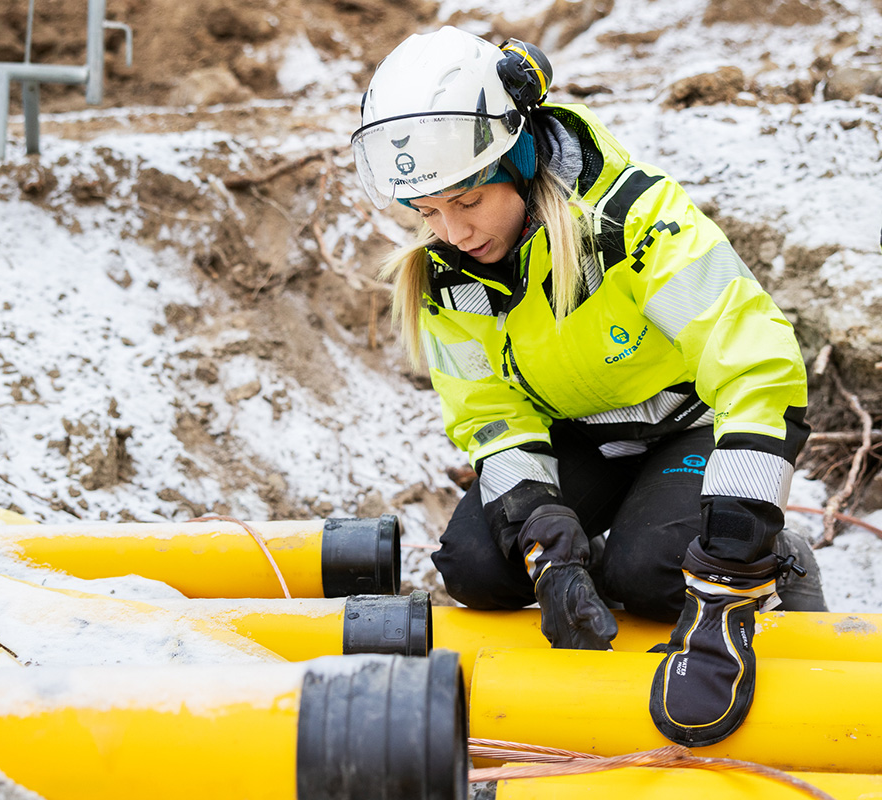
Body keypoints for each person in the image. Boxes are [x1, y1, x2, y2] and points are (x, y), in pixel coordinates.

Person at [351, 26, 826, 748]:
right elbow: (490, 414)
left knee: (653, 575)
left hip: (690, 428)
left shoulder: (634, 223)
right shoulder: (448, 276)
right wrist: (545, 534)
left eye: (468, 201)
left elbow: (755, 364)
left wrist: (730, 560)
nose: (452, 232)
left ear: (517, 160)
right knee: (476, 567)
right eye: (428, 212)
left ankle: (774, 556)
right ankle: (615, 552)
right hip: (583, 438)